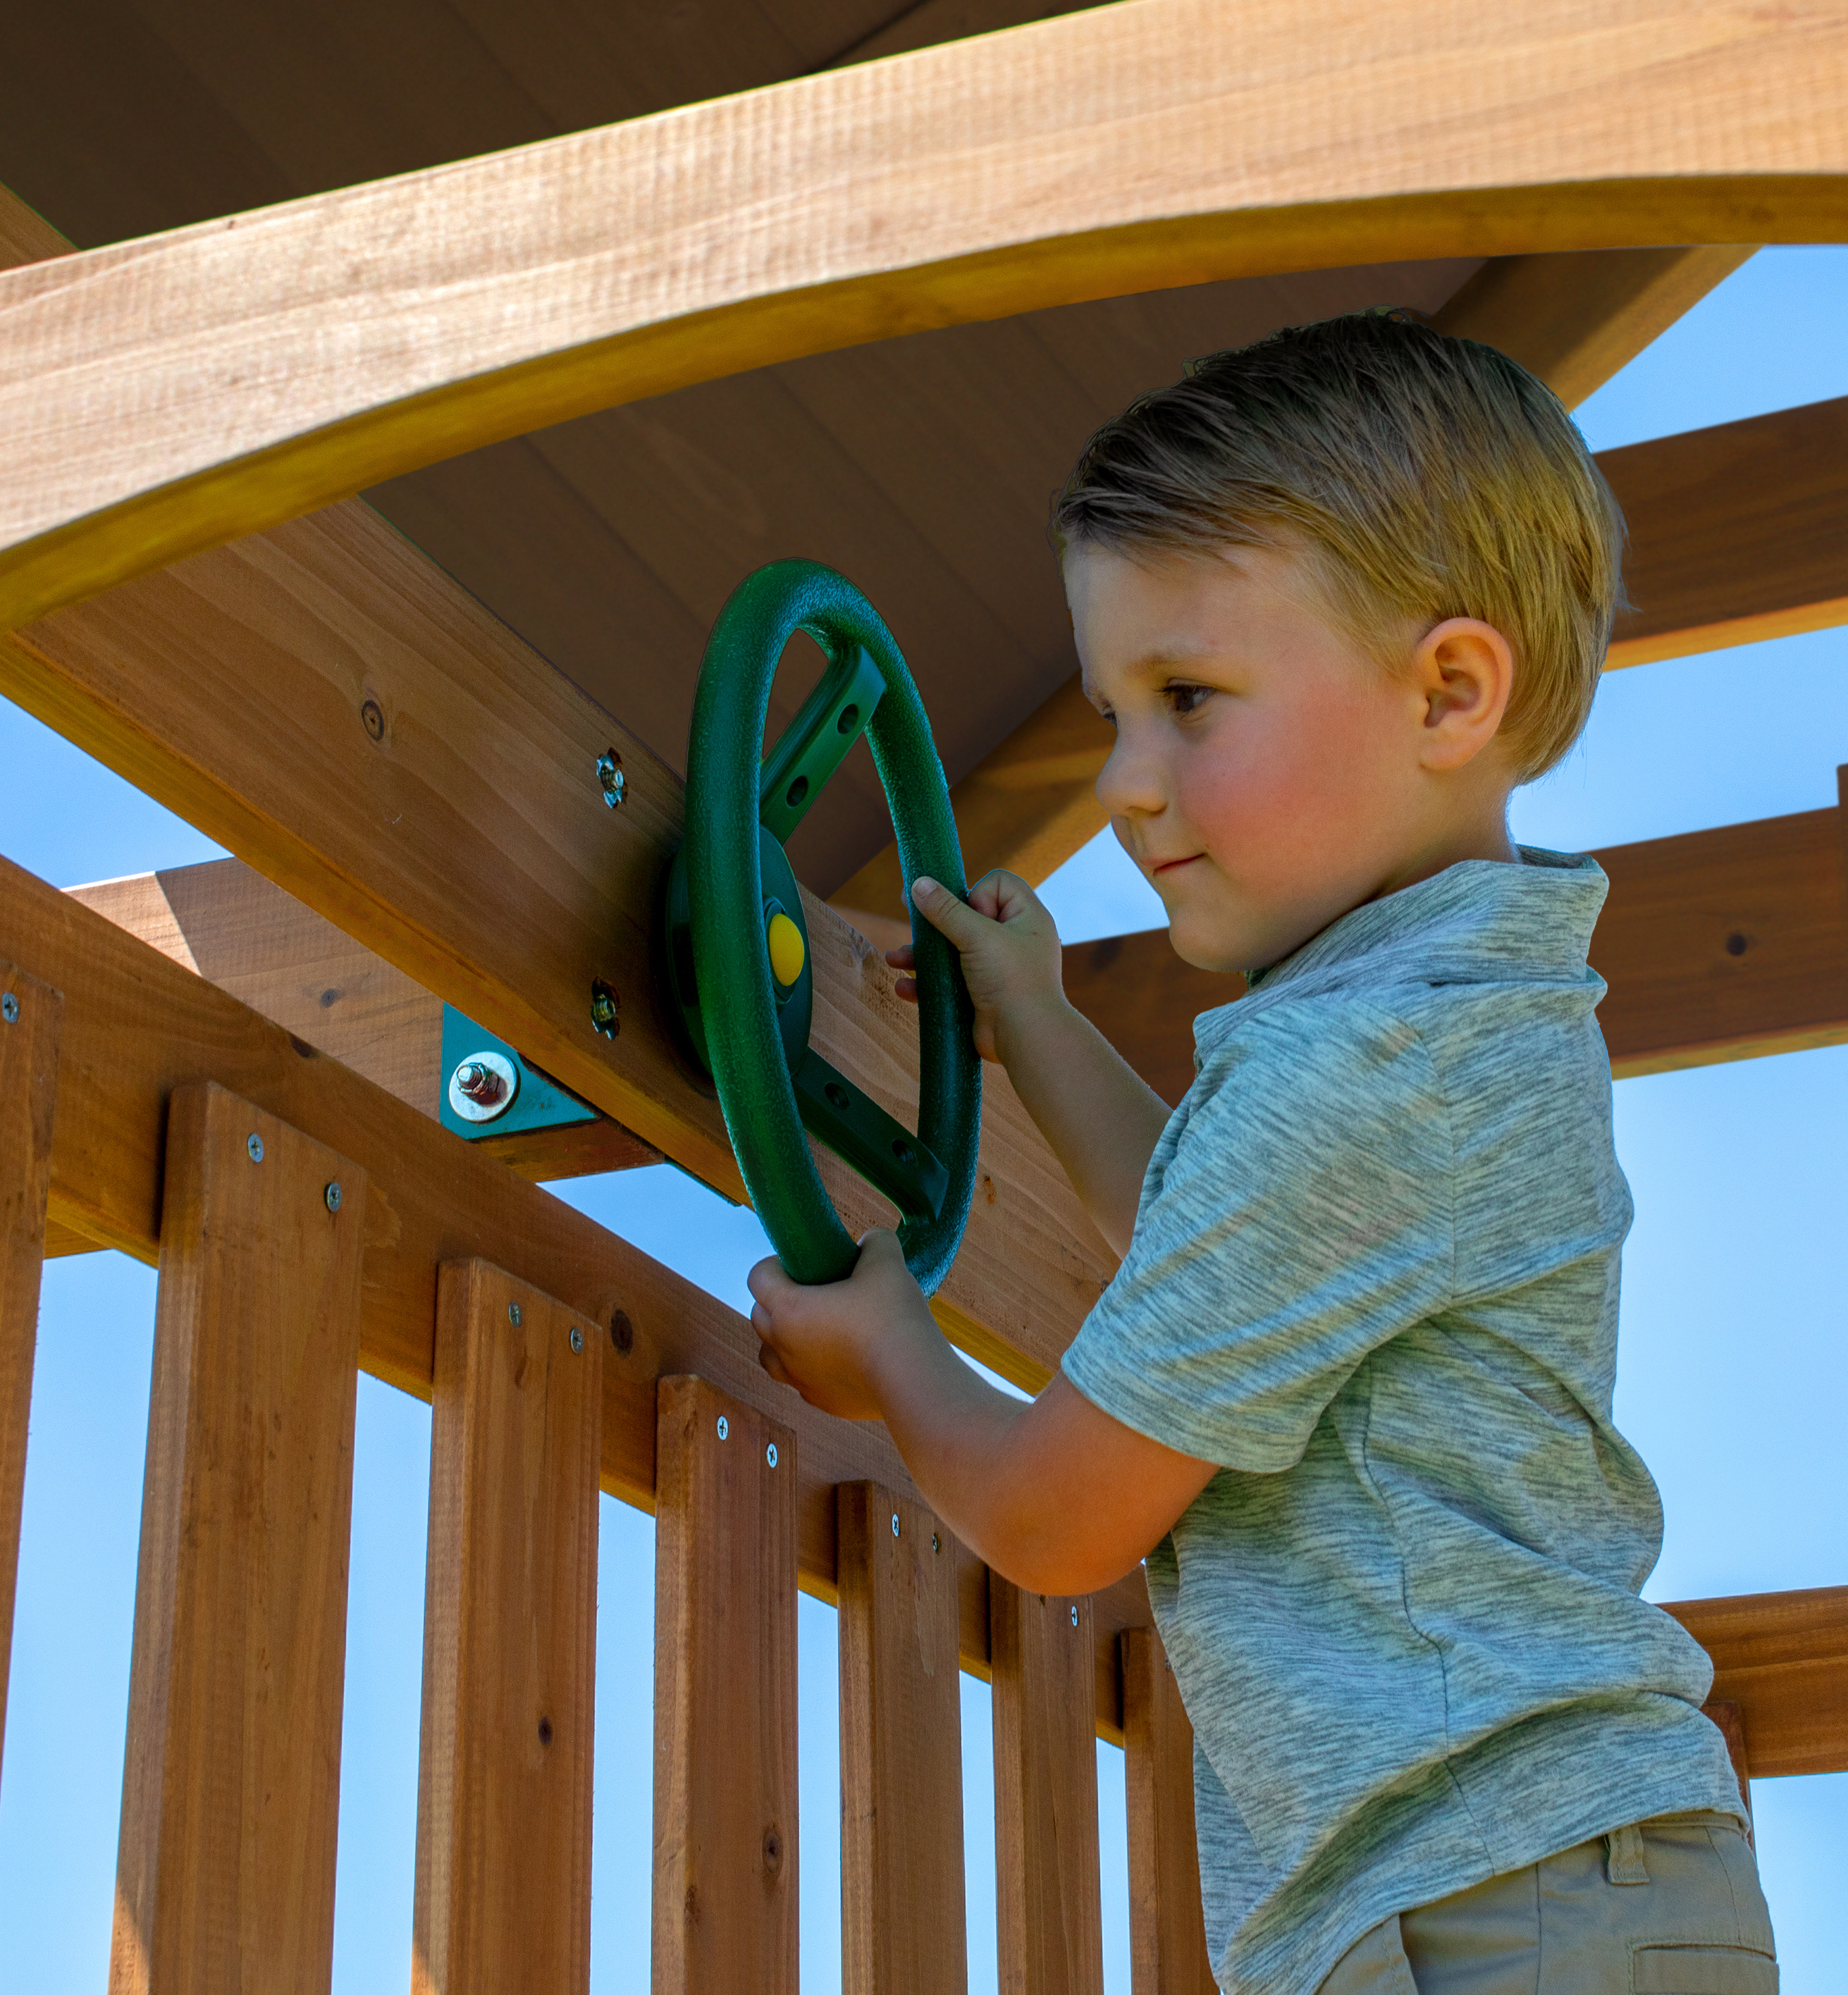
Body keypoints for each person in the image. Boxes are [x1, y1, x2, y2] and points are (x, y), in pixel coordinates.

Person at [748, 311, 1776, 1995]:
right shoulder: (1459, 1005)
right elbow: (1214, 1235)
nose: (1131, 788)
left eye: (1189, 701)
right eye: (1112, 714)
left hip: (1493, 1898)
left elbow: (1060, 1522)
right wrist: (1039, 1022)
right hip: (1542, 1885)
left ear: (1449, 690)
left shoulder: (1362, 1063)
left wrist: (894, 1363)